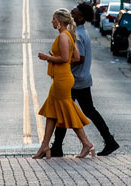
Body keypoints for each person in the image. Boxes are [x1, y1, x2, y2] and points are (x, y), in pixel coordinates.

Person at [52, 2, 119, 157]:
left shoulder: (78, 35)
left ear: (80, 16)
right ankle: (109, 141)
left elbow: (80, 58)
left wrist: (60, 59)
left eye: (76, 9)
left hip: (76, 80)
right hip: (81, 79)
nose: (72, 9)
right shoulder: (79, 32)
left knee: (64, 111)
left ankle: (57, 147)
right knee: (87, 111)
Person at [32, 8, 96, 159]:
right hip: (63, 77)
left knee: (68, 110)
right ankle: (45, 145)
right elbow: (76, 57)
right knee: (51, 112)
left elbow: (65, 58)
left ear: (59, 21)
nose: (52, 22)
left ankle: (86, 143)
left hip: (62, 79)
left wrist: (47, 57)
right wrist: (58, 57)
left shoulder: (63, 36)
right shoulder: (69, 35)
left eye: (53, 19)